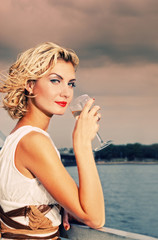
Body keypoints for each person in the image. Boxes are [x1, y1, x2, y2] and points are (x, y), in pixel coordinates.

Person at [0, 42, 105, 239]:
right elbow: (96, 218)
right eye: (56, 81)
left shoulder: (16, 138)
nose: (66, 92)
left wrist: (57, 205)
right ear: (30, 85)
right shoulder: (34, 141)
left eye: (71, 83)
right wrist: (82, 144)